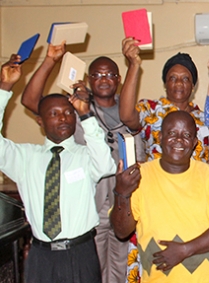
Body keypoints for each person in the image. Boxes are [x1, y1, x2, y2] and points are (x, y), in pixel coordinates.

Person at [21, 42, 135, 283]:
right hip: (85, 209)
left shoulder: (128, 111)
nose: (104, 79)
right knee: (92, 271)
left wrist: (135, 62)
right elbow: (32, 101)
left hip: (123, 204)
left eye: (110, 75)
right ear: (88, 79)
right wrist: (50, 61)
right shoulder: (74, 108)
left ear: (119, 79)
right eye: (97, 75)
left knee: (122, 270)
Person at [0, 55, 116, 283]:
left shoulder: (86, 155)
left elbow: (106, 165)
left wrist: (86, 114)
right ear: (40, 121)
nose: (63, 118)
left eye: (68, 112)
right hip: (41, 256)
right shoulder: (24, 158)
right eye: (53, 114)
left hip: (81, 253)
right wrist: (4, 87)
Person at [110, 111, 209, 282]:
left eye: (186, 135)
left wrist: (184, 250)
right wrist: (122, 193)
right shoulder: (139, 176)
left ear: (194, 143)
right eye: (172, 133)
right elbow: (121, 231)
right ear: (160, 137)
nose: (179, 139)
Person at [119, 38, 209, 162]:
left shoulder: (205, 119)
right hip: (158, 180)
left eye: (185, 79)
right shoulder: (150, 109)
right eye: (173, 78)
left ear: (193, 86)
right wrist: (133, 65)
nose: (179, 83)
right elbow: (126, 116)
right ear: (165, 83)